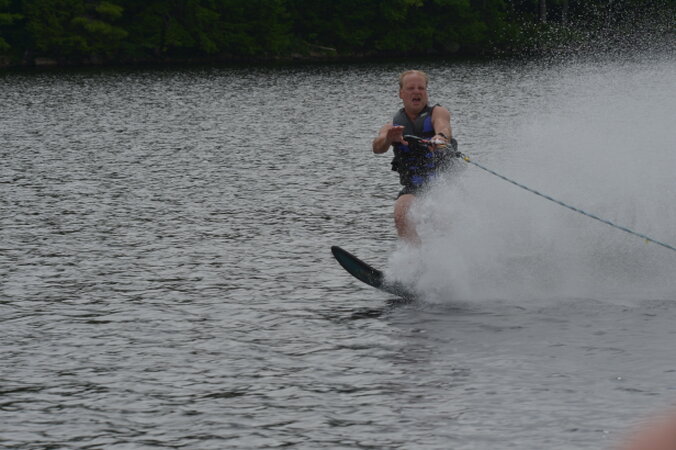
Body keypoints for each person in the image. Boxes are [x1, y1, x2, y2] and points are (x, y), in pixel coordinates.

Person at [372, 70, 455, 245]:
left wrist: (440, 137)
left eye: (421, 88)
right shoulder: (392, 126)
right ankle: (416, 258)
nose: (416, 91)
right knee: (401, 214)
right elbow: (377, 147)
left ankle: (453, 255)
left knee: (441, 216)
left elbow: (444, 127)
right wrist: (388, 139)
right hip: (415, 185)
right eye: (411, 88)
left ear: (426, 92)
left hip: (444, 184)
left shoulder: (438, 112)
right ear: (401, 93)